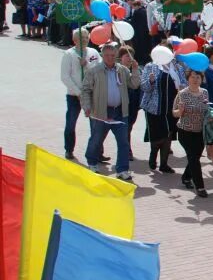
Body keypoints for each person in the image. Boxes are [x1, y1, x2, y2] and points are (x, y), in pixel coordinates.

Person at [80, 41, 140, 181]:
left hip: (119, 111)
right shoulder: (94, 70)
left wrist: (135, 70)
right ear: (102, 56)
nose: (110, 58)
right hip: (101, 111)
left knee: (123, 142)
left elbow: (134, 84)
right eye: (107, 55)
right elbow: (85, 90)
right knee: (96, 139)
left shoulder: (122, 70)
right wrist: (87, 107)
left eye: (113, 55)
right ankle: (92, 163)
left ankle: (122, 169)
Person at [60, 28, 101, 161]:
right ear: (75, 40)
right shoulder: (68, 54)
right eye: (81, 38)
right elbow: (65, 77)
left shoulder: (93, 52)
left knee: (96, 124)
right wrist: (78, 92)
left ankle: (97, 151)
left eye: (86, 37)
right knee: (71, 123)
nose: (84, 40)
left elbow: (99, 70)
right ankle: (69, 149)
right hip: (74, 96)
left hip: (91, 93)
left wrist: (87, 65)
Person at [140, 46, 182, 173]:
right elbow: (144, 87)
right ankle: (153, 156)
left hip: (171, 107)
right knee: (157, 136)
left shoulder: (176, 67)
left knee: (168, 134)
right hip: (154, 108)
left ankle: (164, 164)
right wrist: (151, 81)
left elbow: (184, 83)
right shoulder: (150, 67)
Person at [172, 69, 210, 197]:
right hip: (185, 131)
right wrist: (180, 111)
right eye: (192, 77)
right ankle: (200, 187)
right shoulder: (182, 94)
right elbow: (174, 113)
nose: (195, 80)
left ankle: (186, 177)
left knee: (195, 157)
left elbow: (206, 109)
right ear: (188, 79)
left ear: (201, 79)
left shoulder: (204, 93)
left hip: (200, 131)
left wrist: (210, 116)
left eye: (198, 77)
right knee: (193, 158)